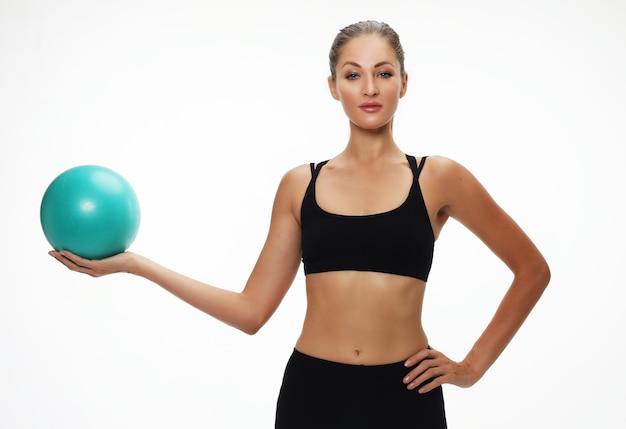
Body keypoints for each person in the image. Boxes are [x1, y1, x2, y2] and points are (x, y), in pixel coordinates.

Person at [49, 20, 550, 428]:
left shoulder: (438, 177)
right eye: (353, 75)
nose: (370, 88)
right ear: (333, 88)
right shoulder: (299, 185)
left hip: (406, 395)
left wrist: (470, 369)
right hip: (314, 396)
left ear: (404, 81)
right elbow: (251, 312)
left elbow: (531, 269)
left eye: (384, 72)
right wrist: (137, 264)